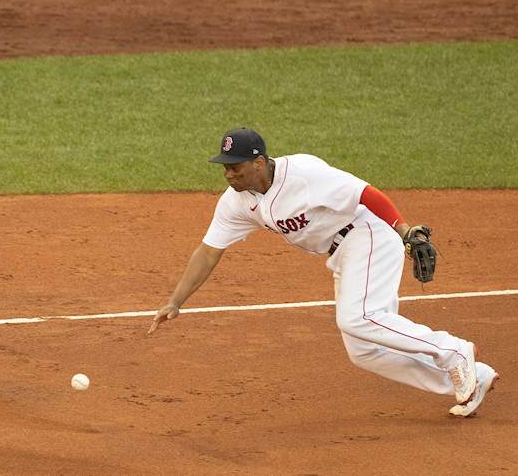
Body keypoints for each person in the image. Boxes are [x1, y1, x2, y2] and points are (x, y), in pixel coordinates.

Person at [149, 128, 499, 417]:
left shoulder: (303, 173)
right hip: (341, 253)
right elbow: (209, 251)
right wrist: (176, 301)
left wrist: (404, 230)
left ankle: (453, 351)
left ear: (258, 162)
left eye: (235, 168)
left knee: (358, 318)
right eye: (224, 167)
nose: (228, 175)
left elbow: (365, 193)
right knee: (363, 350)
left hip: (368, 233)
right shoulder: (236, 201)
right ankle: (471, 378)